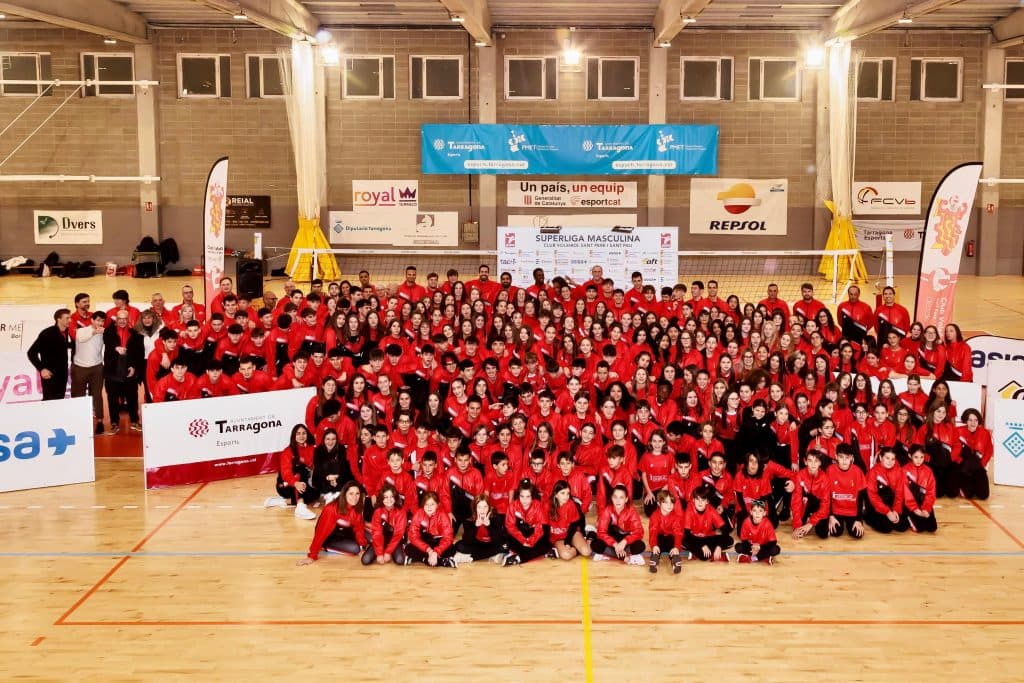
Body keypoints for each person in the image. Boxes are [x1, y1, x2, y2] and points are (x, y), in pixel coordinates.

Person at [297, 482, 368, 565]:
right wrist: (312, 555)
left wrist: (362, 546)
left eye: (357, 494)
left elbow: (358, 528)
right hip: (329, 537)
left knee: (368, 539)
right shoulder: (331, 509)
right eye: (351, 494)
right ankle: (325, 547)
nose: (354, 497)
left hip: (343, 532)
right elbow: (321, 533)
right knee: (355, 549)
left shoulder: (357, 507)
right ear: (344, 494)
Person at [102, 309, 145, 434]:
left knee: (132, 397)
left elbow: (139, 354)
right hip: (113, 370)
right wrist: (116, 347)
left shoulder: (136, 333)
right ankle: (114, 423)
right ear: (116, 319)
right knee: (112, 398)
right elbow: (107, 341)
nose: (122, 321)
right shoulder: (109, 331)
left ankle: (134, 421)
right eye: (119, 318)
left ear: (128, 319)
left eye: (124, 319)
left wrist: (134, 367)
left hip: (129, 369)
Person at [265, 424, 318, 519]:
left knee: (315, 494)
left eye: (304, 433)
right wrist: (295, 483)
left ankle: (281, 501)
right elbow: (286, 473)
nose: (301, 436)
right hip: (285, 485)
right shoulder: (287, 451)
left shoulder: (311, 449)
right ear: (294, 436)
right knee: (301, 468)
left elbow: (313, 467)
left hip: (302, 483)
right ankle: (300, 507)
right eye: (298, 433)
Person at [590, 484, 646, 565]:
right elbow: (601, 532)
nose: (618, 500)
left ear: (626, 499)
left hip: (625, 539)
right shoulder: (607, 510)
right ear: (612, 498)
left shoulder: (631, 511)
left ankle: (613, 554)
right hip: (612, 539)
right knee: (595, 545)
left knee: (640, 546)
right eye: (615, 497)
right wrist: (615, 544)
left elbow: (639, 531)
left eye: (621, 497)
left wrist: (625, 541)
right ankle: (624, 556)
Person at [70, 311, 106, 434]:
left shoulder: (104, 332)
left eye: (102, 321)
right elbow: (81, 339)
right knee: (78, 395)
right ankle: (77, 421)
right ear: (92, 320)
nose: (100, 323)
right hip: (80, 367)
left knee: (97, 396)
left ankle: (100, 421)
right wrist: (94, 332)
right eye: (98, 320)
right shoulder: (82, 330)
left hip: (97, 367)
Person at [26, 308, 73, 400]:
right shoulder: (47, 333)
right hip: (50, 374)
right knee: (49, 401)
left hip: (62, 373)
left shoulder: (67, 332)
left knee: (59, 400)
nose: (70, 320)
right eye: (67, 318)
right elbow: (31, 352)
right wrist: (42, 369)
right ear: (58, 319)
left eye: (70, 318)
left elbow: (62, 344)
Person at [502, 481, 552, 566]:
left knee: (546, 544)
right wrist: (523, 540)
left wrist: (531, 541)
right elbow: (510, 527)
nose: (524, 500)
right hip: (519, 535)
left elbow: (540, 528)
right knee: (508, 541)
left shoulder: (538, 506)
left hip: (534, 535)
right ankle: (523, 554)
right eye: (522, 496)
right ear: (518, 496)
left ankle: (519, 558)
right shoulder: (512, 506)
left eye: (528, 497)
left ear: (532, 496)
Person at [405, 491, 458, 568]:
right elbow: (413, 536)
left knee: (452, 549)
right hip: (424, 544)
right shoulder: (418, 513)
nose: (429, 507)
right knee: (408, 548)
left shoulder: (443, 515)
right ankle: (442, 562)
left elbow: (448, 537)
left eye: (432, 504)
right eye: (426, 504)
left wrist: (436, 552)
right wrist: (429, 550)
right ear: (423, 505)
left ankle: (423, 559)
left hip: (438, 543)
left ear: (437, 505)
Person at [682, 484, 733, 562]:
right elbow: (687, 533)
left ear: (707, 501)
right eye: (697, 499)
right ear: (693, 500)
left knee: (730, 540)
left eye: (703, 500)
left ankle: (697, 552)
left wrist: (719, 546)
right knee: (684, 541)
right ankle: (714, 554)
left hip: (707, 537)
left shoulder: (711, 510)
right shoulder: (689, 509)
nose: (700, 502)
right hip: (693, 538)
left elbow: (725, 529)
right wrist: (702, 545)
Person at [453, 495, 507, 564]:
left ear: (489, 508)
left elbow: (498, 540)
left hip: (491, 544)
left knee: (506, 545)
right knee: (459, 545)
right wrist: (476, 526)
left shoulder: (495, 517)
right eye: (479, 507)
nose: (482, 510)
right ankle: (492, 555)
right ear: (475, 508)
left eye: (485, 507)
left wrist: (488, 526)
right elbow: (467, 541)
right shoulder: (469, 519)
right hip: (476, 544)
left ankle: (471, 558)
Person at [361, 484, 408, 566]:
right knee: (365, 560)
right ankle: (380, 550)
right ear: (382, 498)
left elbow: (398, 534)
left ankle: (395, 549)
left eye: (391, 496)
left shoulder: (401, 512)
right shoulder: (378, 511)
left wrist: (388, 552)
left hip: (395, 540)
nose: (389, 500)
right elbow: (376, 533)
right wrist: (379, 554)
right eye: (386, 497)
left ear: (395, 497)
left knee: (400, 560)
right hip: (380, 539)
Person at [826, 445, 866, 539]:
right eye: (841, 457)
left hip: (852, 511)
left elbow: (860, 497)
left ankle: (858, 520)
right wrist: (831, 516)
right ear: (836, 456)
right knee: (835, 532)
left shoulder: (857, 471)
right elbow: (827, 496)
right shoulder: (830, 470)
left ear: (851, 458)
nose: (844, 461)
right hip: (836, 510)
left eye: (847, 457)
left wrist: (858, 519)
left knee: (857, 534)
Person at [790, 450, 831, 540]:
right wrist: (797, 525)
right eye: (810, 460)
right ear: (805, 462)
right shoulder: (800, 475)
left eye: (816, 461)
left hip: (819, 505)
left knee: (823, 534)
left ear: (820, 463)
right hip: (805, 503)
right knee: (798, 530)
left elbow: (825, 504)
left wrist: (811, 523)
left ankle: (811, 517)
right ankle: (806, 516)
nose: (813, 464)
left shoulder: (825, 479)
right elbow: (796, 500)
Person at [864, 448, 907, 533]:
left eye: (893, 459)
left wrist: (896, 510)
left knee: (902, 526)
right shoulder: (873, 472)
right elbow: (873, 496)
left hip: (889, 500)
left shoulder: (899, 471)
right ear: (880, 458)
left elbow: (899, 493)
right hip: (875, 503)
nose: (890, 461)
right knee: (886, 528)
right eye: (887, 458)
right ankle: (867, 515)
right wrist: (887, 512)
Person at [547, 480, 592, 562]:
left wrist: (568, 541)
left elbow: (573, 525)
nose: (566, 496)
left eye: (568, 493)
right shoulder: (548, 505)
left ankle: (590, 535)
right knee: (566, 556)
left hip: (571, 533)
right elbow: (544, 526)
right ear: (556, 494)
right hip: (557, 537)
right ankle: (565, 549)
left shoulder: (571, 504)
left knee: (587, 552)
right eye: (562, 493)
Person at [956, 409, 992, 500]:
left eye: (975, 420)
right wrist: (959, 461)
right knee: (968, 452)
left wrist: (982, 465)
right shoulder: (958, 431)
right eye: (970, 420)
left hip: (978, 467)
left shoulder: (985, 433)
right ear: (966, 421)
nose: (973, 423)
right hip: (963, 468)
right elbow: (953, 450)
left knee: (984, 495)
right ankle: (962, 484)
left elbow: (989, 451)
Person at [902, 445, 938, 533]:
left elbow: (931, 492)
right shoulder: (904, 470)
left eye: (922, 457)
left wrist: (926, 508)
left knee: (932, 528)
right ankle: (907, 517)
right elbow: (905, 494)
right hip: (909, 505)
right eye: (916, 457)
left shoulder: (928, 471)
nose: (919, 460)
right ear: (910, 456)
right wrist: (915, 510)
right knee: (919, 528)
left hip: (923, 503)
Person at [647, 490, 684, 574]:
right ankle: (655, 558)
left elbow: (678, 532)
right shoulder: (654, 516)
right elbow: (653, 531)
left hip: (670, 539)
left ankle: (675, 559)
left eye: (671, 503)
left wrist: (676, 547)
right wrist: (654, 545)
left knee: (673, 541)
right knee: (657, 541)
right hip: (659, 539)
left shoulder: (676, 517)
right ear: (659, 503)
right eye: (666, 502)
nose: (669, 505)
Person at [735, 500, 781, 564]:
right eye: (754, 510)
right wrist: (752, 546)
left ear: (764, 513)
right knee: (738, 547)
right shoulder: (746, 522)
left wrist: (759, 547)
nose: (757, 513)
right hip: (751, 546)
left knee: (776, 549)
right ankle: (764, 558)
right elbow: (744, 540)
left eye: (760, 511)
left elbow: (773, 542)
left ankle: (751, 558)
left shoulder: (768, 523)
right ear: (751, 512)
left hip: (763, 547)